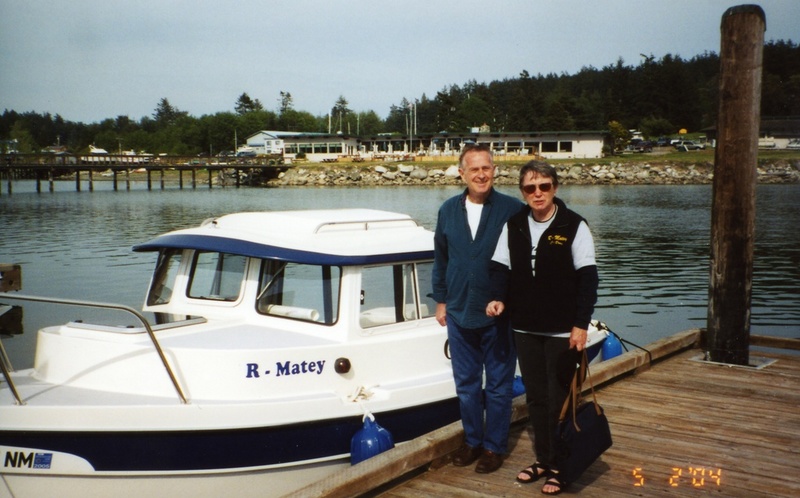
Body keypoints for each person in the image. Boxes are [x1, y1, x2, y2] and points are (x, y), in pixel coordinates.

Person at [486, 160, 598, 495]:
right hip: (525, 328)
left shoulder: (574, 225)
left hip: (563, 330)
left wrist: (580, 325)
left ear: (555, 188)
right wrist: (497, 298)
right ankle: (545, 460)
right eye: (530, 188)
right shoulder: (515, 225)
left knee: (560, 399)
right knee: (536, 398)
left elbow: (588, 279)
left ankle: (563, 467)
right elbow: (499, 268)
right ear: (522, 192)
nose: (538, 193)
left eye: (544, 186)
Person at [432, 143, 523, 474]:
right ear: (462, 173)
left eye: (487, 168)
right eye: (474, 169)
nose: (481, 174)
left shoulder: (513, 210)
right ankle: (472, 440)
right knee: (466, 385)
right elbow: (441, 259)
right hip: (458, 312)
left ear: (494, 170)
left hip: (498, 314)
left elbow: (526, 261)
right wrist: (441, 300)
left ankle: (494, 447)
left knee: (498, 387)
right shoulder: (447, 211)